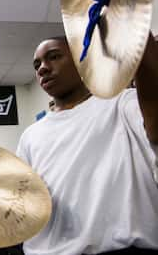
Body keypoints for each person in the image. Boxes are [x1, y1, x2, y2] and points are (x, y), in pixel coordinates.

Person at [16, 34, 158, 255]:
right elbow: (21, 202)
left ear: (83, 61)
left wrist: (135, 29)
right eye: (37, 65)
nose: (43, 68)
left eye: (54, 57)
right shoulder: (30, 135)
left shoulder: (122, 103)